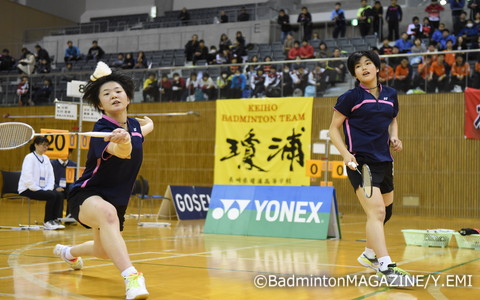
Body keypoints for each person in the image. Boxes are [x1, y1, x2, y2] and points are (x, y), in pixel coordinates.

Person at [54, 62, 154, 299]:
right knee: (107, 215)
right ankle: (132, 278)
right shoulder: (102, 128)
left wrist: (149, 125)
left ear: (128, 98)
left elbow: (142, 130)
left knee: (104, 251)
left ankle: (68, 253)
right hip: (87, 195)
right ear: (101, 105)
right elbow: (121, 152)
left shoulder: (134, 126)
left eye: (118, 91)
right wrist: (122, 141)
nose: (114, 96)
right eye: (106, 94)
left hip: (116, 201)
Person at [329, 50, 412, 286]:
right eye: (357, 66)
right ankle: (386, 267)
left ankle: (368, 254)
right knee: (375, 212)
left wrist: (395, 137)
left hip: (384, 161)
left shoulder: (391, 95)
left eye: (368, 63)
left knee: (387, 212)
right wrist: (346, 155)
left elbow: (393, 118)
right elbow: (333, 129)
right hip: (360, 162)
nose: (363, 68)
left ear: (377, 68)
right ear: (354, 73)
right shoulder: (350, 97)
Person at [18, 136, 65, 230]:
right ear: (36, 145)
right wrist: (39, 189)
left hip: (43, 189)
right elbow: (28, 178)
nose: (45, 147)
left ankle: (54, 220)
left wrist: (48, 188)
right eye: (43, 145)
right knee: (51, 195)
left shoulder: (46, 159)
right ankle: (47, 221)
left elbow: (51, 176)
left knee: (59, 195)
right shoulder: (29, 157)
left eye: (47, 145)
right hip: (28, 188)